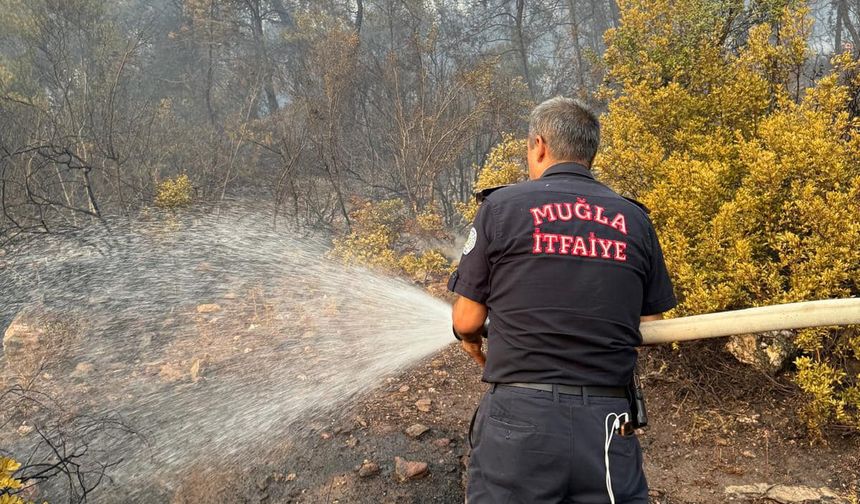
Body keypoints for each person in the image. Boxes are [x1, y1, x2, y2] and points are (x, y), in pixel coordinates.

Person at [448, 96, 676, 504]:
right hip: (607, 423)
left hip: (520, 420)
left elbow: (466, 320)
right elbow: (652, 321)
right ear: (590, 152)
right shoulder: (635, 219)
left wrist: (472, 342)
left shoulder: (500, 207)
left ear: (539, 145)